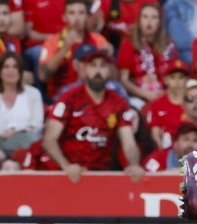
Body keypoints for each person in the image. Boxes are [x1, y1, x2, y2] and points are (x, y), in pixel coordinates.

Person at [39, 49, 144, 182]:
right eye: (93, 65)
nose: (98, 71)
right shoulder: (69, 98)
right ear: (85, 69)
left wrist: (134, 165)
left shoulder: (118, 103)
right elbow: (49, 139)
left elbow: (129, 142)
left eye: (103, 65)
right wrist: (66, 166)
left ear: (110, 70)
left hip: (100, 176)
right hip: (66, 176)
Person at [0, 51, 44, 154]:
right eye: (6, 67)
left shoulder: (33, 93)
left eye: (15, 67)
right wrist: (24, 127)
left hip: (29, 140)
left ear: (20, 71)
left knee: (30, 138)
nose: (11, 71)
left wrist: (15, 130)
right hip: (1, 142)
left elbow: (36, 124)